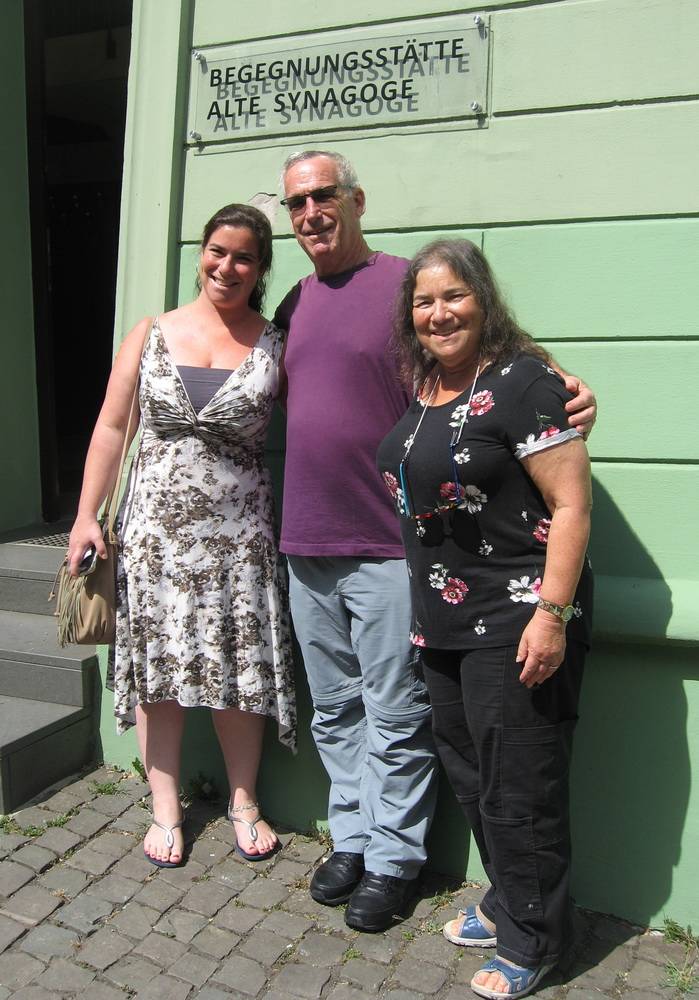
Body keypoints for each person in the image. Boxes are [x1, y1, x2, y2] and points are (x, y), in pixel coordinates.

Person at [274, 149, 596, 932]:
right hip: (304, 539)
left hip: (390, 545)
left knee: (393, 713)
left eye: (324, 196)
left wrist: (570, 392)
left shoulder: (403, 284)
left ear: (355, 200)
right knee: (336, 711)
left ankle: (392, 857)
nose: (311, 213)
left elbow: (504, 363)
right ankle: (349, 838)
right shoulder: (293, 301)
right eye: (296, 204)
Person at [377, 238, 593, 996]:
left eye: (453, 296)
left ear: (483, 299)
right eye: (423, 301)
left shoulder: (524, 382)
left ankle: (536, 941)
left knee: (518, 785)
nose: (438, 313)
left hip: (514, 619)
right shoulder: (428, 385)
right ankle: (508, 902)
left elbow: (570, 504)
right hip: (440, 622)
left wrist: (551, 615)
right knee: (472, 778)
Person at [67, 203, 296, 868]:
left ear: (260, 268)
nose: (227, 266)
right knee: (159, 675)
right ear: (202, 253)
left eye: (243, 257)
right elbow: (113, 428)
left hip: (238, 540)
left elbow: (331, 411)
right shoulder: (151, 333)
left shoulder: (275, 343)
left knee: (237, 671)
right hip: (154, 537)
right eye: (217, 251)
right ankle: (165, 807)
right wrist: (87, 513)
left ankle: (242, 800)